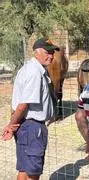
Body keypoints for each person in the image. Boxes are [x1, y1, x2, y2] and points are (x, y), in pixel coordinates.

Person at [1, 38, 59, 180]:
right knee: (33, 173)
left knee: (25, 170)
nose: (51, 56)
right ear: (36, 52)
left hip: (27, 127)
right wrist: (11, 125)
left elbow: (17, 103)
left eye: (52, 52)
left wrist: (13, 124)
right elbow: (23, 105)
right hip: (33, 128)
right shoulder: (35, 73)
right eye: (47, 52)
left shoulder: (29, 69)